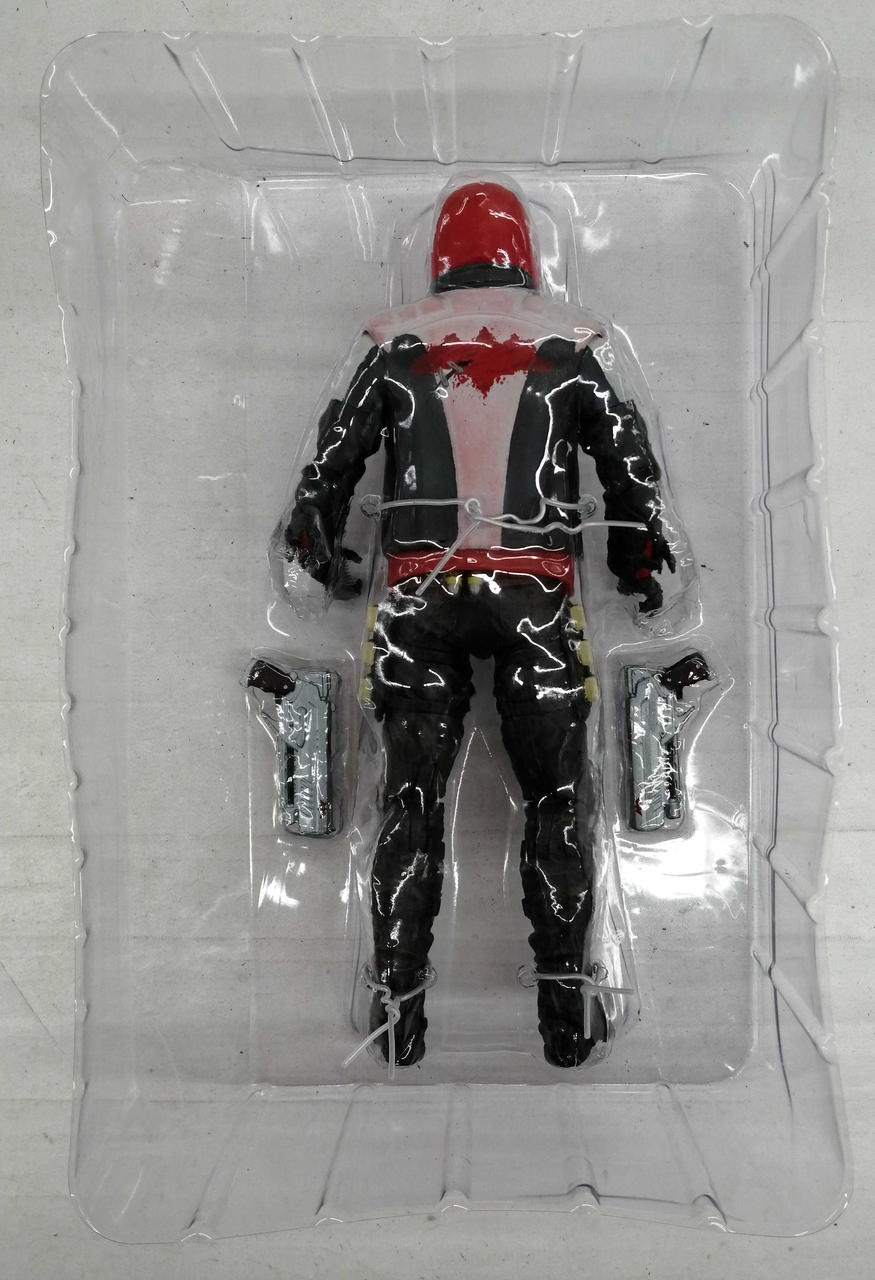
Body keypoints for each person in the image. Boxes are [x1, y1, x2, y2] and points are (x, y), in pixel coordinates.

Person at [280, 178, 676, 1068]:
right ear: (523, 253)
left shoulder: (394, 342)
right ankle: (569, 1010)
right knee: (560, 800)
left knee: (407, 801)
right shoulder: (571, 342)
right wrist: (638, 563)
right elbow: (628, 465)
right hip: (537, 592)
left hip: (417, 594)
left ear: (440, 255)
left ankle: (395, 1011)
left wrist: (321, 557)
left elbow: (330, 464)